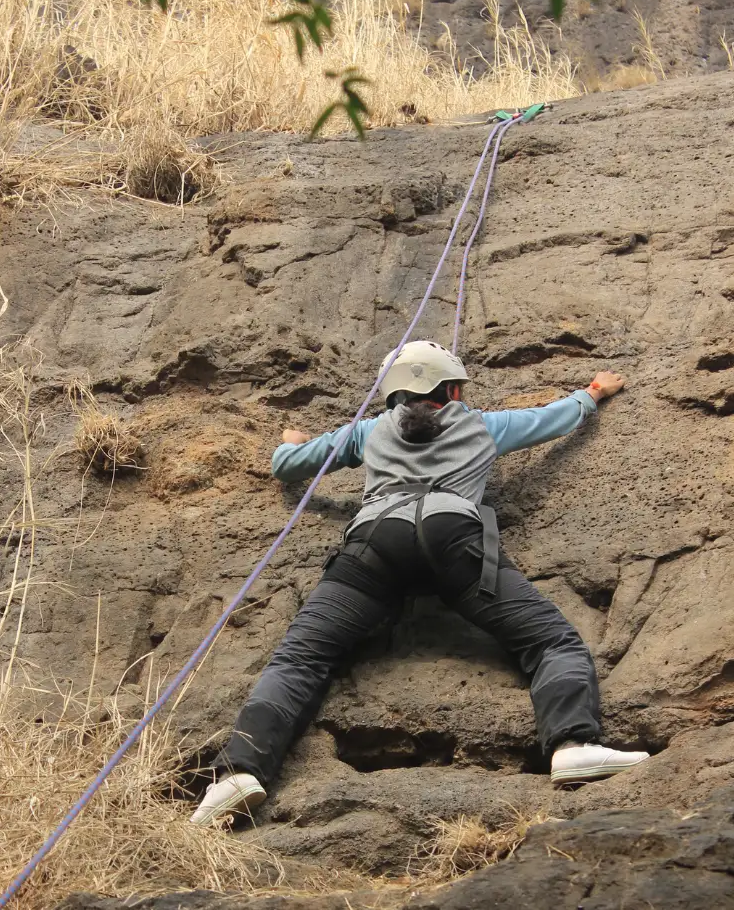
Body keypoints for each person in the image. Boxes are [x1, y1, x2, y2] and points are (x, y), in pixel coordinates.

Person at [191, 339, 649, 826]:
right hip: (454, 538)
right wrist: (593, 391)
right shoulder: (483, 425)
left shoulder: (368, 431)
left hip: (373, 542)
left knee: (301, 657)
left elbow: (288, 466)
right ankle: (574, 744)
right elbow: (553, 417)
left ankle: (238, 773)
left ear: (393, 395)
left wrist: (289, 441)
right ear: (450, 388)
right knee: (550, 640)